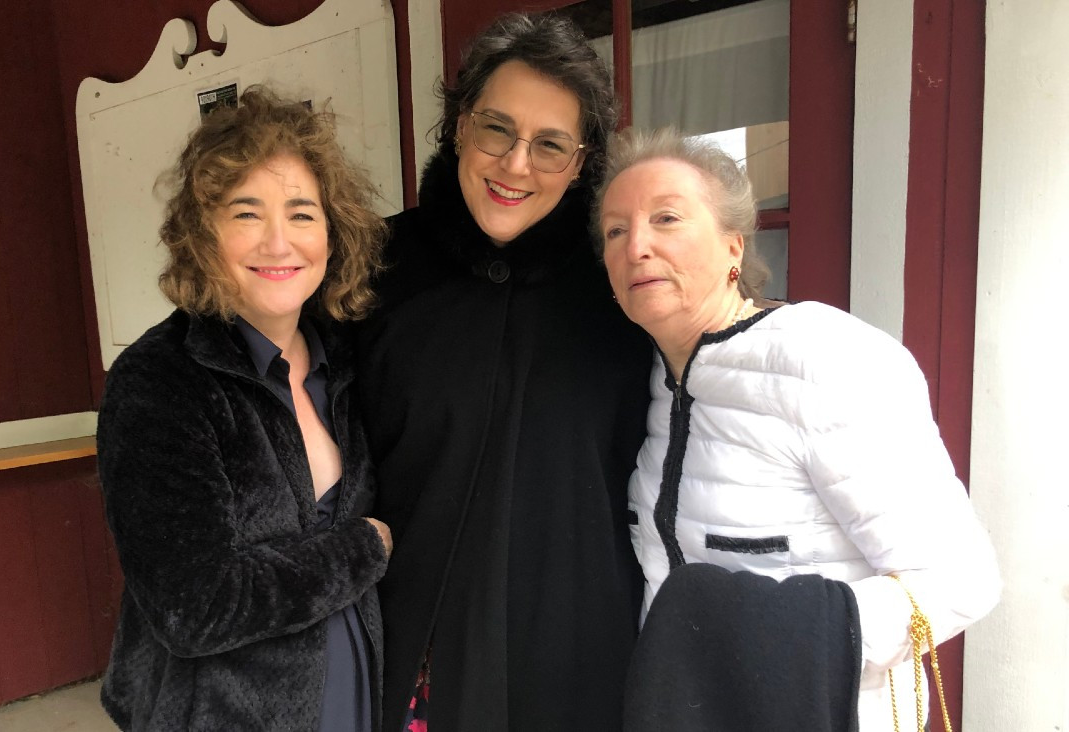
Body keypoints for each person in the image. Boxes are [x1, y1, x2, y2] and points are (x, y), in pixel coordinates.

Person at [595, 126, 1000, 730]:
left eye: (667, 218)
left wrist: (777, 644)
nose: (637, 247)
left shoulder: (827, 361)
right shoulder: (644, 381)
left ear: (734, 246)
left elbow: (959, 579)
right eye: (616, 230)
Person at [354, 12, 652, 731]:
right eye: (496, 128)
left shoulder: (620, 288)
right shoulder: (374, 270)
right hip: (412, 651)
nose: (516, 164)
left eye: (550, 144)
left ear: (582, 162)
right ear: (459, 124)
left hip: (577, 659)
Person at [96, 87, 393, 732]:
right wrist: (365, 547)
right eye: (246, 213)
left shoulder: (346, 358)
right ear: (203, 234)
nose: (279, 242)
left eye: (302, 213)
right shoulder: (160, 381)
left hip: (354, 694)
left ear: (333, 231)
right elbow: (195, 608)